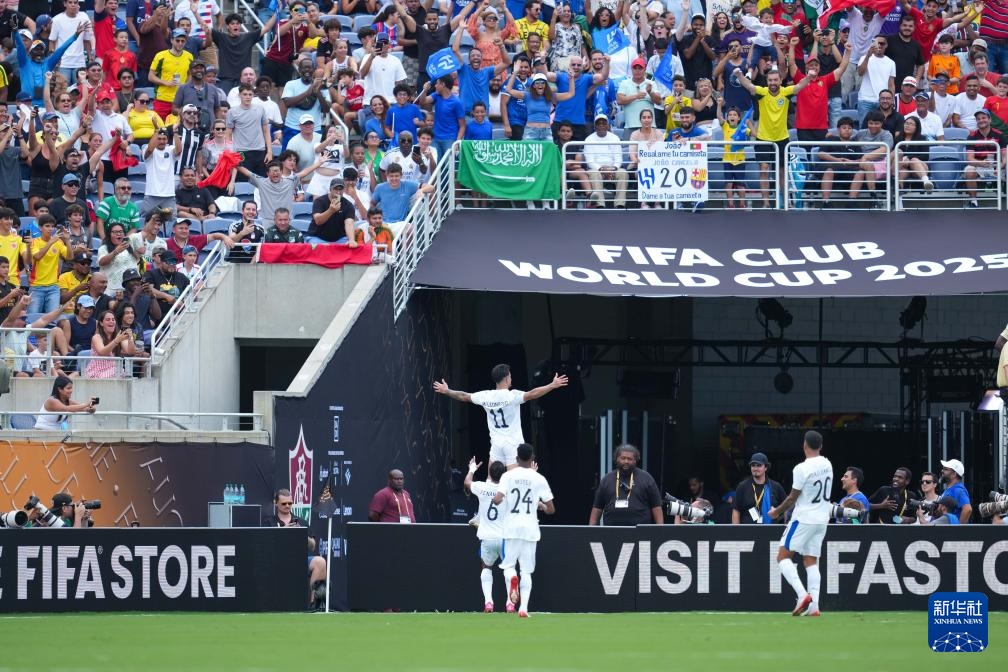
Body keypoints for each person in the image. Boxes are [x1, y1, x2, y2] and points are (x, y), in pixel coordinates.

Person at [433, 363, 568, 468]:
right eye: (510, 376)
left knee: (491, 482)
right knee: (513, 482)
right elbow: (533, 394)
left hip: (496, 445)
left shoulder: (486, 396)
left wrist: (447, 391)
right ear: (506, 378)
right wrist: (552, 385)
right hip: (513, 444)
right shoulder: (512, 395)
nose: (511, 378)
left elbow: (464, 396)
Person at [767, 430, 832, 617]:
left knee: (782, 557)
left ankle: (803, 595)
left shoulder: (801, 468)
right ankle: (814, 606)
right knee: (811, 560)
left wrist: (776, 512)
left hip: (804, 518)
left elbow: (792, 498)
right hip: (822, 519)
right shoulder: (827, 463)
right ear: (821, 446)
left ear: (804, 445)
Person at [492, 442, 554, 618]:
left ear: (516, 458)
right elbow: (551, 509)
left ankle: (512, 579)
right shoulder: (539, 478)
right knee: (526, 570)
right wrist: (540, 505)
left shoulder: (508, 476)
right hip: (530, 529)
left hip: (511, 528)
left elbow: (497, 499)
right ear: (532, 457)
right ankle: (524, 608)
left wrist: (499, 500)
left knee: (508, 566)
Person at [735, 66, 811, 208]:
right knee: (764, 169)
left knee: (782, 171)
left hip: (782, 138)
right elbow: (749, 86)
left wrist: (809, 77)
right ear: (767, 81)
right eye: (770, 80)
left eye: (775, 80)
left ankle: (786, 202)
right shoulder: (762, 92)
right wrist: (739, 75)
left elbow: (800, 86)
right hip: (763, 138)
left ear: (780, 80)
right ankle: (765, 203)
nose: (773, 83)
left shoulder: (785, 92)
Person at [262, 487, 327, 611]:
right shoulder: (269, 522)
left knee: (320, 562)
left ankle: (314, 605)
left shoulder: (301, 522)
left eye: (290, 503)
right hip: (276, 561)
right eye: (284, 503)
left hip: (299, 560)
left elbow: (313, 546)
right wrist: (283, 531)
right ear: (276, 503)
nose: (287, 506)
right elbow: (264, 545)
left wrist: (301, 533)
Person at [463, 457, 512, 612]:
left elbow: (467, 482)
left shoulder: (481, 487)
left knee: (486, 567)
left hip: (487, 537)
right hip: (504, 538)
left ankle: (489, 603)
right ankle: (510, 603)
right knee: (509, 568)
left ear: (489, 473)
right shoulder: (508, 490)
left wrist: (472, 468)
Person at [588, 444, 663, 526]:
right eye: (623, 458)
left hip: (640, 532)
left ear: (635, 460)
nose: (626, 461)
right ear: (617, 459)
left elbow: (656, 507)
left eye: (629, 459)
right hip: (611, 531)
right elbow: (597, 508)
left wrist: (660, 529)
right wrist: (591, 529)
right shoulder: (607, 480)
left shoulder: (646, 478)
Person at [731, 452, 786, 524]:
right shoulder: (742, 487)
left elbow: (787, 508)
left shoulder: (776, 486)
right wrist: (736, 530)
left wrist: (785, 524)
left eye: (759, 465)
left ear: (766, 467)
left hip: (771, 530)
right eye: (753, 465)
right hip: (748, 530)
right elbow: (736, 510)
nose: (755, 468)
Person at [308, 178, 357, 244]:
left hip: (339, 239)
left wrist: (351, 240)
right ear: (330, 189)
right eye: (335, 189)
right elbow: (318, 221)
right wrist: (330, 211)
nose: (338, 192)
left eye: (340, 189)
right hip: (317, 237)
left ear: (344, 190)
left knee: (348, 245)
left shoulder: (348, 205)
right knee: (316, 246)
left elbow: (349, 223)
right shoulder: (319, 201)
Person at [938, 458, 972, 523]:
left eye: (946, 469)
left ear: (954, 474)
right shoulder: (949, 489)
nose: (942, 471)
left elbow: (968, 509)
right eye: (943, 469)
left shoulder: (958, 490)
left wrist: (958, 527)